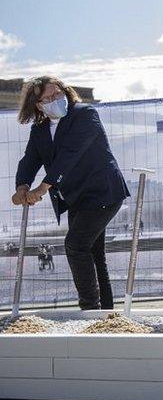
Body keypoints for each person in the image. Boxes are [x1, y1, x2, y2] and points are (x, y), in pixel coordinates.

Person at [12, 76, 130, 309]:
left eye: (58, 94)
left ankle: (89, 308)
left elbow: (71, 154)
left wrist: (43, 187)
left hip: (103, 193)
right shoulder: (40, 129)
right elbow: (30, 160)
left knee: (75, 245)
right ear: (38, 105)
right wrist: (22, 186)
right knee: (94, 254)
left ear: (65, 92)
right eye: (48, 98)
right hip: (77, 199)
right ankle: (106, 313)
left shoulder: (85, 115)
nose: (56, 99)